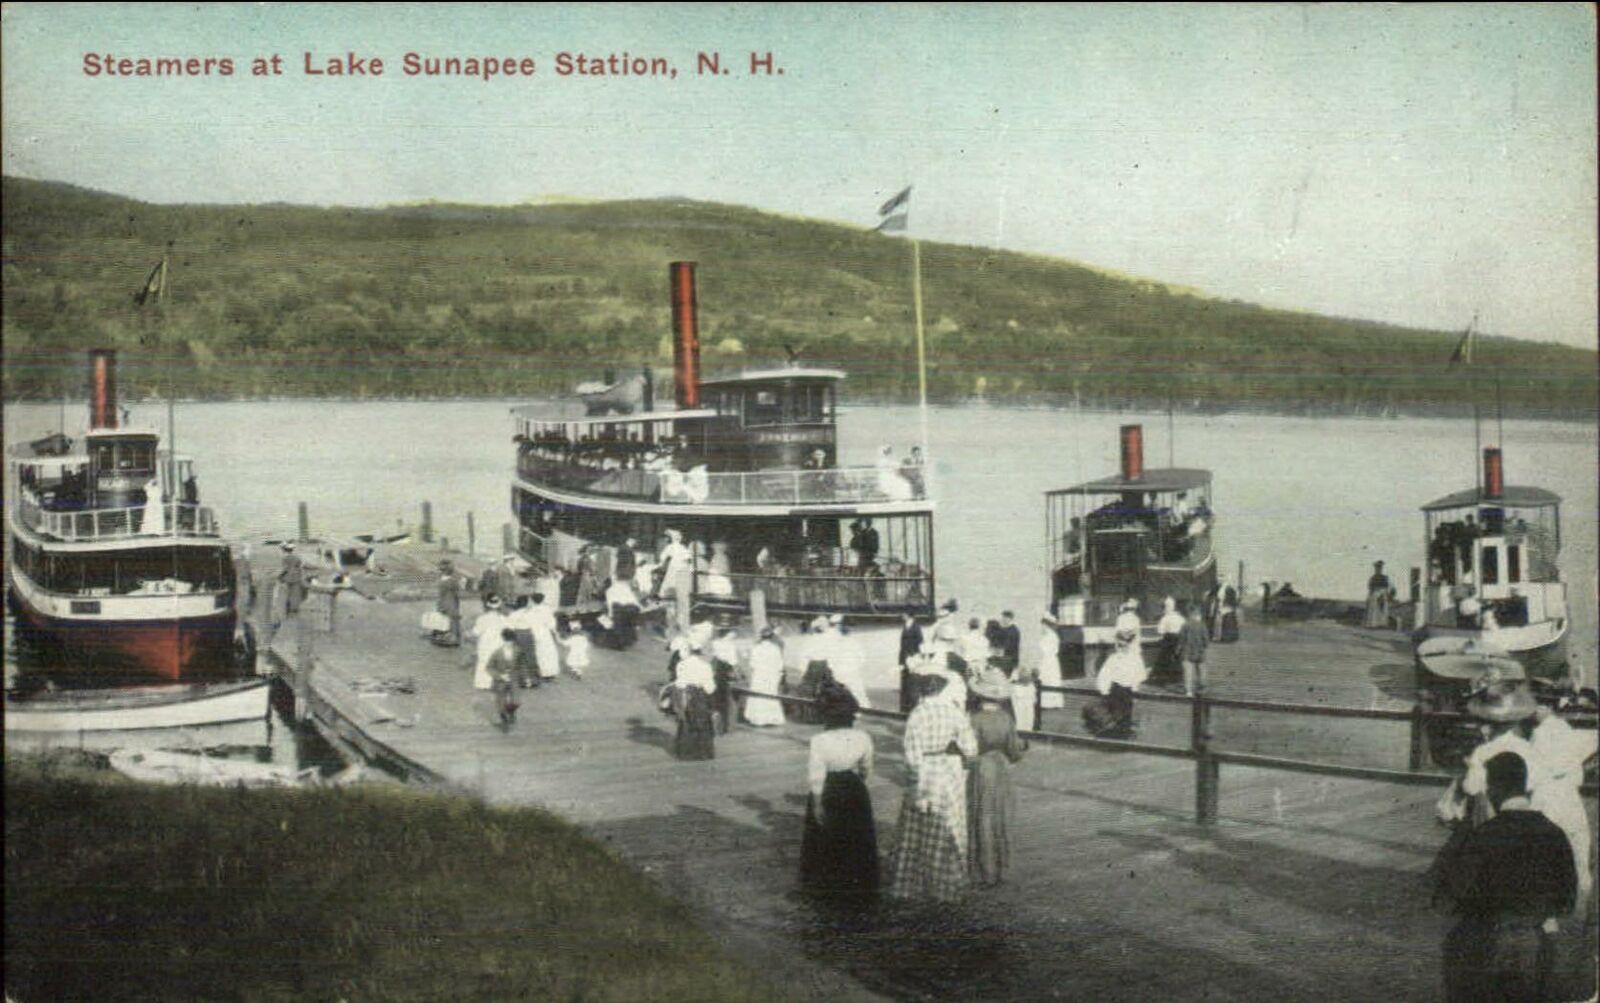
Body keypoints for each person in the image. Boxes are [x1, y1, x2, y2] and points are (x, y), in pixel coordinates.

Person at [1435, 752, 1577, 1003]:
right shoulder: (1555, 834)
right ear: (1524, 786)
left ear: (1494, 789)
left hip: (1490, 942)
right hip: (1536, 943)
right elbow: (1567, 899)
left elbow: (1453, 893)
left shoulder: (1485, 834)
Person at [887, 671, 978, 903]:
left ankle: (914, 882)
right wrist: (965, 763)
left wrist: (913, 781)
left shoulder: (917, 715)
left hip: (925, 770)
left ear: (921, 691)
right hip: (947, 768)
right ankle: (947, 882)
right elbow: (970, 747)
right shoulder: (953, 711)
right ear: (942, 689)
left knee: (918, 825)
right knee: (947, 821)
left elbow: (912, 753)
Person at [800, 682, 879, 906]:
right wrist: (860, 784)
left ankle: (826, 884)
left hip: (829, 789)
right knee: (856, 837)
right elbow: (867, 768)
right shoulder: (863, 737)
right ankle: (859, 883)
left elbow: (816, 774)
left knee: (827, 836)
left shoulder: (819, 741)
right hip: (854, 788)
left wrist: (817, 803)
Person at [1529, 699, 1596, 913]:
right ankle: (1580, 895)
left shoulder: (1541, 732)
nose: (1534, 711)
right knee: (1576, 842)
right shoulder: (1567, 729)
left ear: (1549, 708)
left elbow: (1534, 770)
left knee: (1544, 846)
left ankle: (1546, 898)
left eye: (1539, 706)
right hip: (1568, 794)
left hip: (1548, 792)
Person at [968, 666, 1028, 887]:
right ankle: (1004, 867)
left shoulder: (974, 719)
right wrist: (1019, 751)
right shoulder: (1006, 718)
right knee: (1002, 815)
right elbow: (1014, 751)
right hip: (1002, 767)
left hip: (982, 768)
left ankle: (985, 870)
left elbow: (970, 749)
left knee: (982, 816)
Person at [1083, 627, 1147, 738]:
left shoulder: (1135, 659)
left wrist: (1135, 689)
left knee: (1126, 714)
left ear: (1130, 645)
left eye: (1124, 646)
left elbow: (1139, 675)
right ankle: (1113, 734)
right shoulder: (1113, 658)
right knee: (1114, 713)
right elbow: (1105, 675)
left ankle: (1123, 734)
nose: (1121, 648)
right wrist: (1104, 690)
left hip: (1128, 690)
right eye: (1119, 645)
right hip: (1115, 689)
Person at [669, 643, 717, 761]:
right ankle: (703, 753)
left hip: (686, 695)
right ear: (700, 652)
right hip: (700, 696)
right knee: (702, 722)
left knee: (686, 721)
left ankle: (686, 752)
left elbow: (679, 683)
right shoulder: (705, 665)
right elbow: (710, 687)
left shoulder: (681, 664)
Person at [744, 626, 787, 727]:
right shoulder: (775, 649)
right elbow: (780, 664)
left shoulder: (756, 648)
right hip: (771, 674)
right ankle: (771, 718)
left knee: (759, 694)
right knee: (770, 694)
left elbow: (752, 664)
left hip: (759, 674)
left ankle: (758, 718)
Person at [827, 615, 872, 710]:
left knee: (858, 693)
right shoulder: (832, 638)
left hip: (851, 671)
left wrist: (855, 667)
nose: (849, 628)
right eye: (847, 625)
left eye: (850, 626)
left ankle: (862, 710)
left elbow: (861, 656)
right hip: (838, 671)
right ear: (839, 625)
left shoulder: (852, 640)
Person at [470, 595, 510, 691]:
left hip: (485, 643)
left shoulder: (482, 618)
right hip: (499, 643)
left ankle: (483, 683)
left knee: (484, 661)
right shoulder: (504, 619)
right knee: (497, 662)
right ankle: (497, 683)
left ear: (487, 605)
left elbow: (476, 632)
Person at [486, 628, 521, 728]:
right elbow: (489, 667)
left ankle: (511, 713)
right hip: (500, 681)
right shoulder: (497, 653)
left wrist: (521, 675)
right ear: (503, 640)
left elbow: (522, 664)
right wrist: (499, 676)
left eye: (511, 641)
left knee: (516, 700)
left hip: (513, 679)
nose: (509, 643)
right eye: (507, 641)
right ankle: (504, 719)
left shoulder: (517, 651)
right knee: (501, 701)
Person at [709, 624, 740, 734]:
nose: (734, 634)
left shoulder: (715, 643)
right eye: (733, 632)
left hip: (715, 671)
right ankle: (726, 726)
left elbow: (713, 657)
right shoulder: (731, 646)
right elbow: (734, 662)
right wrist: (737, 674)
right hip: (725, 672)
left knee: (715, 699)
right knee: (727, 701)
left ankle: (714, 724)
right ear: (728, 633)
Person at [505, 595, 539, 689]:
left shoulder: (514, 614)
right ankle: (533, 680)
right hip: (528, 634)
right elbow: (535, 626)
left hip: (517, 635)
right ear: (526, 603)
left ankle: (523, 680)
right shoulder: (531, 613)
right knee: (530, 657)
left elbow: (509, 626)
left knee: (519, 658)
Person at [1177, 604, 1209, 698]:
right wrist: (1204, 646)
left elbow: (1181, 640)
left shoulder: (1185, 625)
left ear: (1190, 615)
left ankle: (1189, 691)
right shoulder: (1202, 625)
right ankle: (1202, 689)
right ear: (1198, 615)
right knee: (1201, 671)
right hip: (1199, 652)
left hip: (1187, 652)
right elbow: (1206, 640)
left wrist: (1178, 650)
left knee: (1188, 672)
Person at [529, 592, 562, 682]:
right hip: (545, 633)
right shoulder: (546, 610)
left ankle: (542, 672)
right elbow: (551, 624)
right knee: (548, 652)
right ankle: (550, 672)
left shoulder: (530, 611)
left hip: (535, 632)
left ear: (533, 600)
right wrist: (555, 632)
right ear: (543, 600)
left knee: (539, 652)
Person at [1037, 615, 1065, 711]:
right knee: (1045, 679)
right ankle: (1044, 702)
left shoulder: (1051, 636)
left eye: (1042, 625)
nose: (1041, 627)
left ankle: (1051, 703)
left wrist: (1043, 655)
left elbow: (1050, 650)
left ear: (1046, 625)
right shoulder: (1045, 635)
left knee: (1050, 680)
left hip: (1049, 660)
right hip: (1045, 659)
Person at [898, 613, 925, 713]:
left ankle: (911, 705)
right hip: (904, 657)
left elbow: (920, 643)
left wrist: (916, 656)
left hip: (913, 657)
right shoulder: (905, 626)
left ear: (909, 615)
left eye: (904, 613)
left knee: (912, 680)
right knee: (904, 679)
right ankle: (904, 706)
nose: (902, 615)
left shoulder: (916, 627)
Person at [433, 559, 462, 647]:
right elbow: (456, 593)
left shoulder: (443, 581)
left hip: (445, 602)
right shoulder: (453, 581)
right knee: (453, 619)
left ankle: (447, 637)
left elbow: (441, 594)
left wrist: (440, 605)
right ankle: (454, 637)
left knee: (445, 619)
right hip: (452, 602)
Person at [1156, 596, 1185, 684]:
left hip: (1169, 639)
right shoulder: (1181, 618)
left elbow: (1160, 631)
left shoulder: (1165, 618)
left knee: (1166, 658)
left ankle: (1165, 678)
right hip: (1179, 639)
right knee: (1177, 658)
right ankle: (1177, 677)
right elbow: (1185, 629)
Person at [278, 542, 308, 621]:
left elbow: (285, 569)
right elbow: (300, 567)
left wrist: (279, 576)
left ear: (285, 550)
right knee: (295, 595)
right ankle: (294, 611)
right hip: (297, 578)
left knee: (287, 595)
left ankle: (287, 612)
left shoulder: (285, 558)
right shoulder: (297, 558)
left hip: (288, 579)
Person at [1365, 560, 1392, 629]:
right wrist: (1369, 596)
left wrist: (1385, 594)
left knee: (1383, 608)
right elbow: (1370, 587)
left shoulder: (1384, 577)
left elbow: (1387, 587)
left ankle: (1382, 624)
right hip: (1375, 593)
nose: (1378, 569)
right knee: (1374, 608)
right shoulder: (1373, 578)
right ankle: (1373, 624)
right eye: (1377, 568)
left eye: (1380, 568)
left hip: (1383, 593)